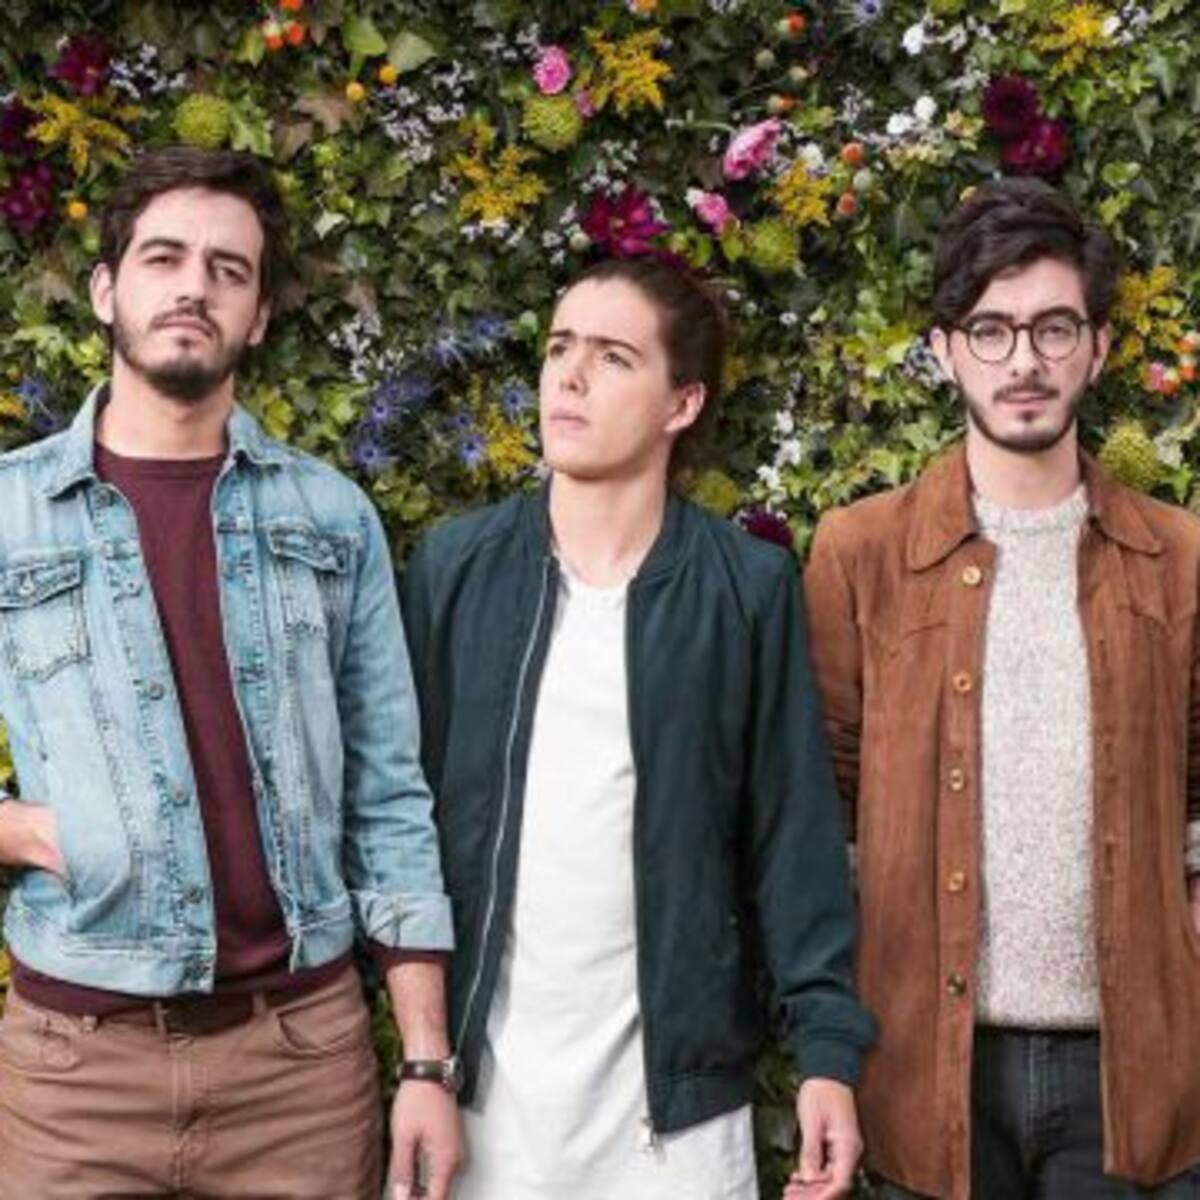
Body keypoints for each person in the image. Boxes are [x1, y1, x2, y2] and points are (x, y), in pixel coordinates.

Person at [0, 146, 462, 1200]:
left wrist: (427, 1062)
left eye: (229, 269)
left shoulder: (331, 517)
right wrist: (22, 832)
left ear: (256, 318)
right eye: (164, 258)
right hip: (73, 1074)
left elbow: (390, 798)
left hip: (298, 1070)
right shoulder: (9, 513)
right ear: (107, 289)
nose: (194, 287)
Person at [401, 255, 875, 1200]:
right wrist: (422, 1066)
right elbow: (398, 826)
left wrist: (826, 1052)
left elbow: (793, 838)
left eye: (613, 357)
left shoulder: (746, 590)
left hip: (677, 1122)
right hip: (483, 1106)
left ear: (682, 404)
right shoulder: (456, 569)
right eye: (559, 348)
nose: (569, 377)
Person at [803, 177, 1200, 1199]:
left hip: (1131, 1079)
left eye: (1054, 328)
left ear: (1098, 347)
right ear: (945, 351)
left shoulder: (1180, 559)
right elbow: (823, 813)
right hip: (924, 1069)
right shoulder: (861, 553)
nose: (1024, 361)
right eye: (991, 330)